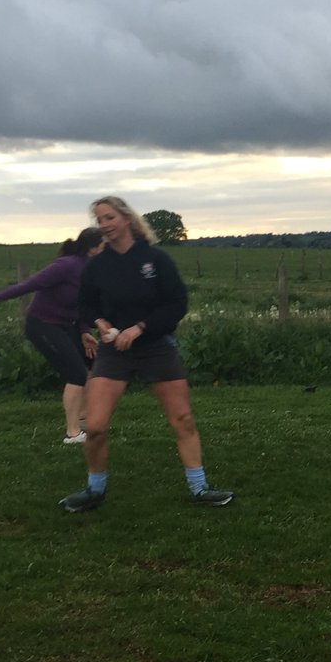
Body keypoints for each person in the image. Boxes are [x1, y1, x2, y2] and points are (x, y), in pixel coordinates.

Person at [58, 196, 233, 512]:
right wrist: (100, 322)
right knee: (94, 426)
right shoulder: (97, 266)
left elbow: (176, 303)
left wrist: (139, 328)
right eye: (99, 220)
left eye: (110, 217)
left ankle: (199, 488)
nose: (104, 225)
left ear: (127, 219)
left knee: (183, 419)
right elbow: (86, 305)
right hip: (114, 352)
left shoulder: (155, 259)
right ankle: (95, 490)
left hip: (156, 348)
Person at [0, 227, 103, 445]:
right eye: (107, 246)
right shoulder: (66, 266)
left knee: (93, 364)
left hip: (67, 324)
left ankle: (82, 418)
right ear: (94, 248)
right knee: (77, 374)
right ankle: (72, 433)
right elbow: (28, 285)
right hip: (42, 325)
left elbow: (83, 305)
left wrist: (85, 331)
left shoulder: (94, 270)